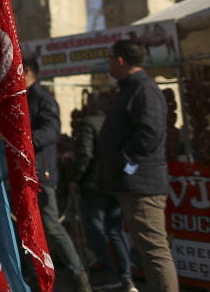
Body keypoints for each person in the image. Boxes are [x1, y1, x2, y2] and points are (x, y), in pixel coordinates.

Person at [98, 40, 178, 292]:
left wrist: (124, 160)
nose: (108, 63)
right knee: (148, 251)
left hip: (143, 185)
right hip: (133, 183)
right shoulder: (131, 88)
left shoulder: (143, 89)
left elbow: (150, 133)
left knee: (155, 251)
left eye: (110, 57)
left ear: (120, 60)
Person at [25, 59, 92, 292]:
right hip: (23, 173)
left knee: (52, 225)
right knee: (28, 227)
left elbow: (51, 131)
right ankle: (35, 274)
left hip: (41, 174)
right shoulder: (23, 98)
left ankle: (78, 274)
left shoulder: (43, 100)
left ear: (27, 72)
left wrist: (23, 141)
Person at [74, 92, 136, 292]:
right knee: (114, 229)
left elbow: (85, 155)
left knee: (96, 228)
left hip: (94, 184)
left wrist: (76, 179)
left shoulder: (88, 124)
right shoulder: (117, 124)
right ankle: (126, 276)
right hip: (113, 182)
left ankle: (110, 273)